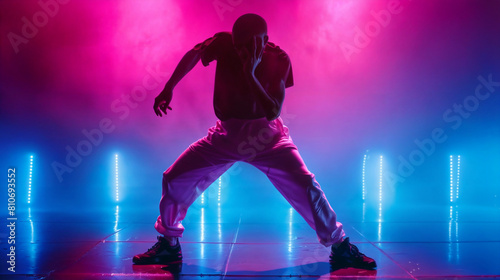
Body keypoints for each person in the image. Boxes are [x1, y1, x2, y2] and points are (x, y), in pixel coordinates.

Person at [133, 13, 376, 269]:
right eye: (238, 46)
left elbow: (273, 111)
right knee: (173, 178)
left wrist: (250, 74)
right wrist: (169, 86)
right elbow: (195, 53)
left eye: (248, 45)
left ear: (265, 40)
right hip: (226, 135)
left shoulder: (279, 59)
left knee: (307, 186)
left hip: (266, 136)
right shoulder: (224, 43)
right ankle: (169, 246)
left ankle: (340, 247)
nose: (241, 52)